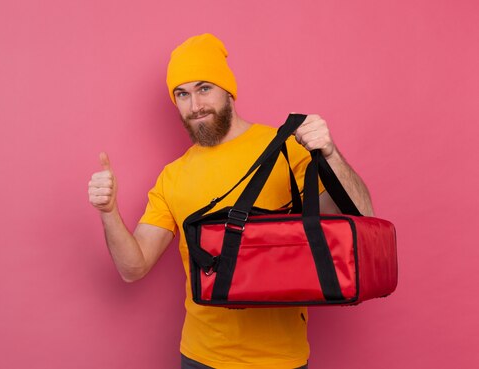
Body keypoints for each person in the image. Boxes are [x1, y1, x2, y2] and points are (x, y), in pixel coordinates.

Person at [88, 33, 373, 369]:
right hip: (200, 358)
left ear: (228, 90)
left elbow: (362, 217)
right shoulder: (172, 177)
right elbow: (133, 268)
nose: (195, 106)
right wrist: (108, 212)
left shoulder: (286, 148)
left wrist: (331, 153)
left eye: (204, 88)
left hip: (280, 360)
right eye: (183, 94)